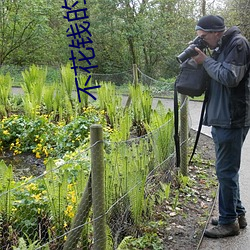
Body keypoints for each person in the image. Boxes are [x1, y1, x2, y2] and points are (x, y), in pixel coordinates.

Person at [192, 15, 250, 238]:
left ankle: (228, 223)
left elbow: (229, 77)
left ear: (216, 32)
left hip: (232, 118)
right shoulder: (221, 46)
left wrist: (205, 61)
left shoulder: (238, 44)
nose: (203, 41)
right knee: (227, 171)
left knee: (225, 171)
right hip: (222, 117)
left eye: (204, 37)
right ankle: (237, 214)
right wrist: (202, 59)